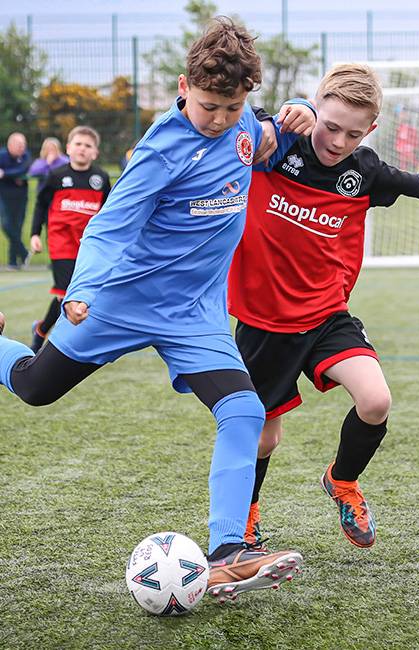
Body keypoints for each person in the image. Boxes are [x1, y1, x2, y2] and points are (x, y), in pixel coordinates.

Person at [0, 17, 313, 603]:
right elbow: (107, 230)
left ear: (246, 97)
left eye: (231, 106)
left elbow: (275, 141)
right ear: (181, 86)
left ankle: (227, 554)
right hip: (120, 300)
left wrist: (303, 111)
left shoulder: (245, 123)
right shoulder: (159, 151)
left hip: (194, 314)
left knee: (243, 411)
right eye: (207, 107)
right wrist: (83, 291)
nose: (219, 119)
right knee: (37, 387)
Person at [228, 63, 419, 550]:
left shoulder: (364, 173)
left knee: (375, 400)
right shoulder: (278, 148)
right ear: (314, 110)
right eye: (331, 126)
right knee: (262, 438)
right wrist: (279, 113)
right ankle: (245, 518)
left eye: (353, 133)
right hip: (264, 323)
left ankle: (342, 481)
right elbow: (239, 121)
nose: (338, 141)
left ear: (371, 131)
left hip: (326, 316)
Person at [29, 126, 111, 353]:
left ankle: (42, 329)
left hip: (89, 246)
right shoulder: (56, 177)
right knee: (66, 294)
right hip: (61, 244)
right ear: (68, 148)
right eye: (78, 144)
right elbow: (40, 205)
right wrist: (35, 234)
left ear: (95, 152)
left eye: (88, 146)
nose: (82, 149)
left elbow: (108, 213)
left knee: (88, 293)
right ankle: (51, 342)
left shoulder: (101, 178)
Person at [0, 132, 31, 269]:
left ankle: (13, 262)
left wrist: (5, 174)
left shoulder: (26, 155)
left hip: (21, 196)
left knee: (17, 228)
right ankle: (24, 253)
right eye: (19, 145)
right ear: (10, 145)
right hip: (4, 196)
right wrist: (14, 176)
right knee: (7, 225)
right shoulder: (2, 156)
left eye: (24, 145)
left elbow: (23, 170)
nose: (22, 148)